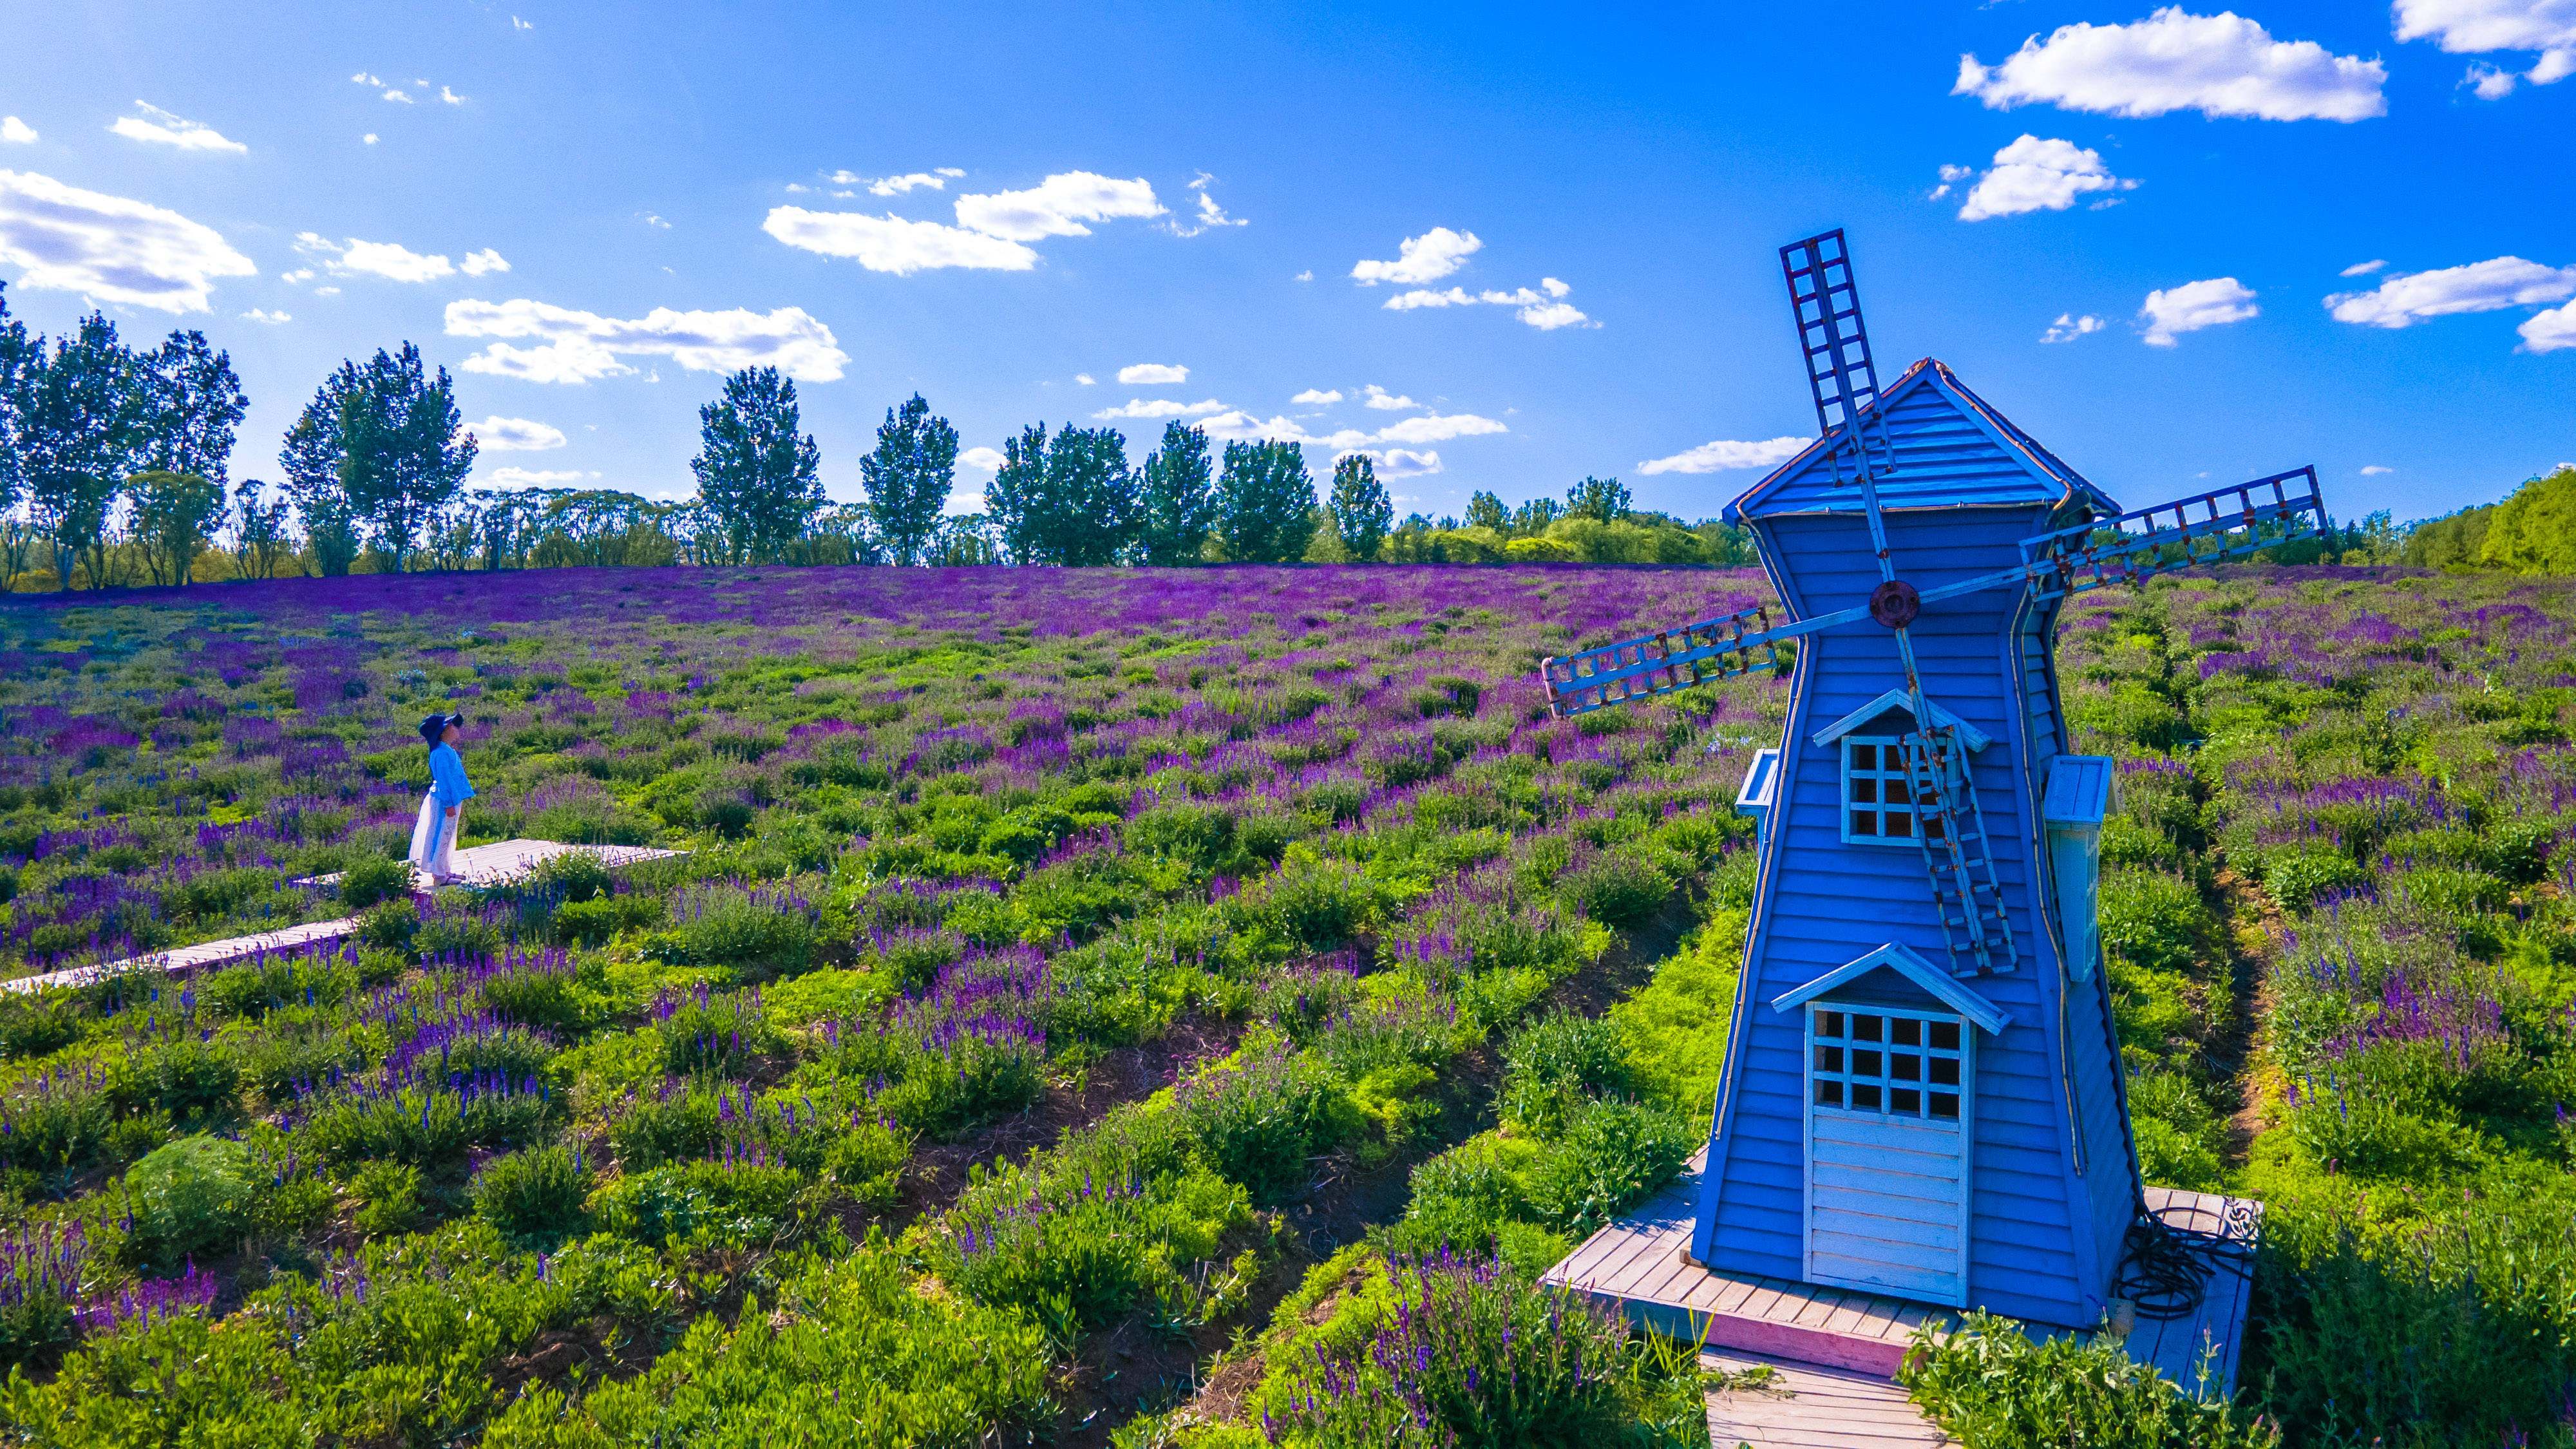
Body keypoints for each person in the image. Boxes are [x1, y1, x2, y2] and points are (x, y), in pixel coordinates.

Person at [406, 712, 475, 885]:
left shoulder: (446, 750)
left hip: (452, 799)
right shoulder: (439, 753)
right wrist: (448, 804)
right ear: (443, 731)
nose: (456, 728)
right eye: (451, 725)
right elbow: (444, 781)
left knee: (449, 834)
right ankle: (439, 875)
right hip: (445, 800)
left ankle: (445, 870)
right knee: (442, 834)